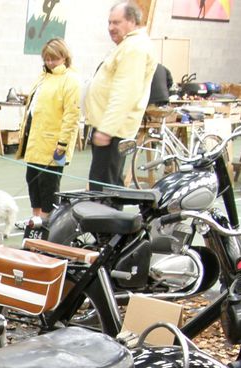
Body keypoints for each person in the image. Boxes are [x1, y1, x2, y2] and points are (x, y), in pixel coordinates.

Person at [83, 2, 156, 191]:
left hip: (114, 133)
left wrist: (107, 130)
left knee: (103, 191)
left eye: (116, 22)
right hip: (110, 129)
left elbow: (125, 92)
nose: (110, 28)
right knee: (106, 185)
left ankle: (105, 221)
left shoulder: (135, 48)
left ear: (132, 21)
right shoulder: (128, 45)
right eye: (109, 23)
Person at [17, 37, 81, 218]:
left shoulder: (71, 80)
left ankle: (48, 230)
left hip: (53, 147)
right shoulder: (43, 77)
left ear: (64, 57)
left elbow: (71, 116)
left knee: (49, 191)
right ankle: (35, 223)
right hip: (35, 144)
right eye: (46, 59)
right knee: (33, 185)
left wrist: (62, 145)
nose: (50, 62)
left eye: (54, 58)